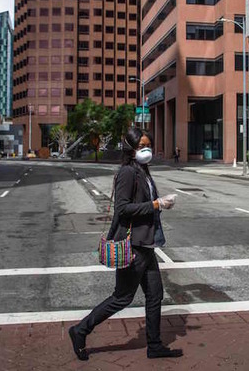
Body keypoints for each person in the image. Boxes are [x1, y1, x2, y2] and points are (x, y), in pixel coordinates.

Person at [69, 127, 183, 361]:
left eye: (148, 145)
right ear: (131, 149)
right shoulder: (128, 173)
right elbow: (122, 209)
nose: (147, 149)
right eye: (142, 146)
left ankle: (154, 345)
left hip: (145, 244)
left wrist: (160, 203)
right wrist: (156, 204)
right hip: (132, 244)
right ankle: (80, 330)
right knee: (122, 297)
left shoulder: (142, 170)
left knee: (155, 295)